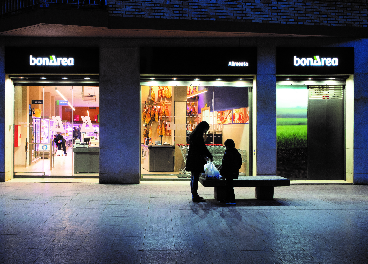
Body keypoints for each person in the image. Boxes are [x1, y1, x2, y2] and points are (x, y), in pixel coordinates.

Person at [186, 121, 213, 202]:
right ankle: (195, 195)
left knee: (193, 176)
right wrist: (209, 155)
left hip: (192, 158)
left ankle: (194, 194)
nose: (206, 131)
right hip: (196, 159)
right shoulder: (199, 136)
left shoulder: (194, 134)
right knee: (195, 176)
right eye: (206, 129)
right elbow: (202, 147)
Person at [220, 139, 242, 204]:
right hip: (234, 172)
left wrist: (222, 172)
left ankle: (229, 199)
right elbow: (239, 163)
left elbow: (225, 164)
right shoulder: (236, 152)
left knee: (228, 186)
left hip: (228, 173)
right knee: (230, 186)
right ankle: (229, 199)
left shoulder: (228, 153)